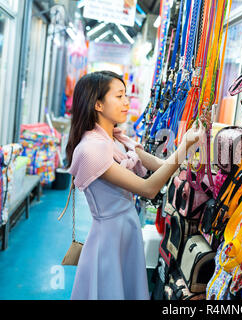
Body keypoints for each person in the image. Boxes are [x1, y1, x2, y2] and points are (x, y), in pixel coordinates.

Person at [65, 70, 205, 300]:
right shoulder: (91, 148)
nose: (126, 102)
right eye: (118, 96)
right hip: (110, 236)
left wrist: (189, 156)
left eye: (125, 96)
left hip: (125, 229)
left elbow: (161, 166)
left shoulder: (117, 138)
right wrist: (184, 147)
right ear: (98, 104)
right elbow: (148, 187)